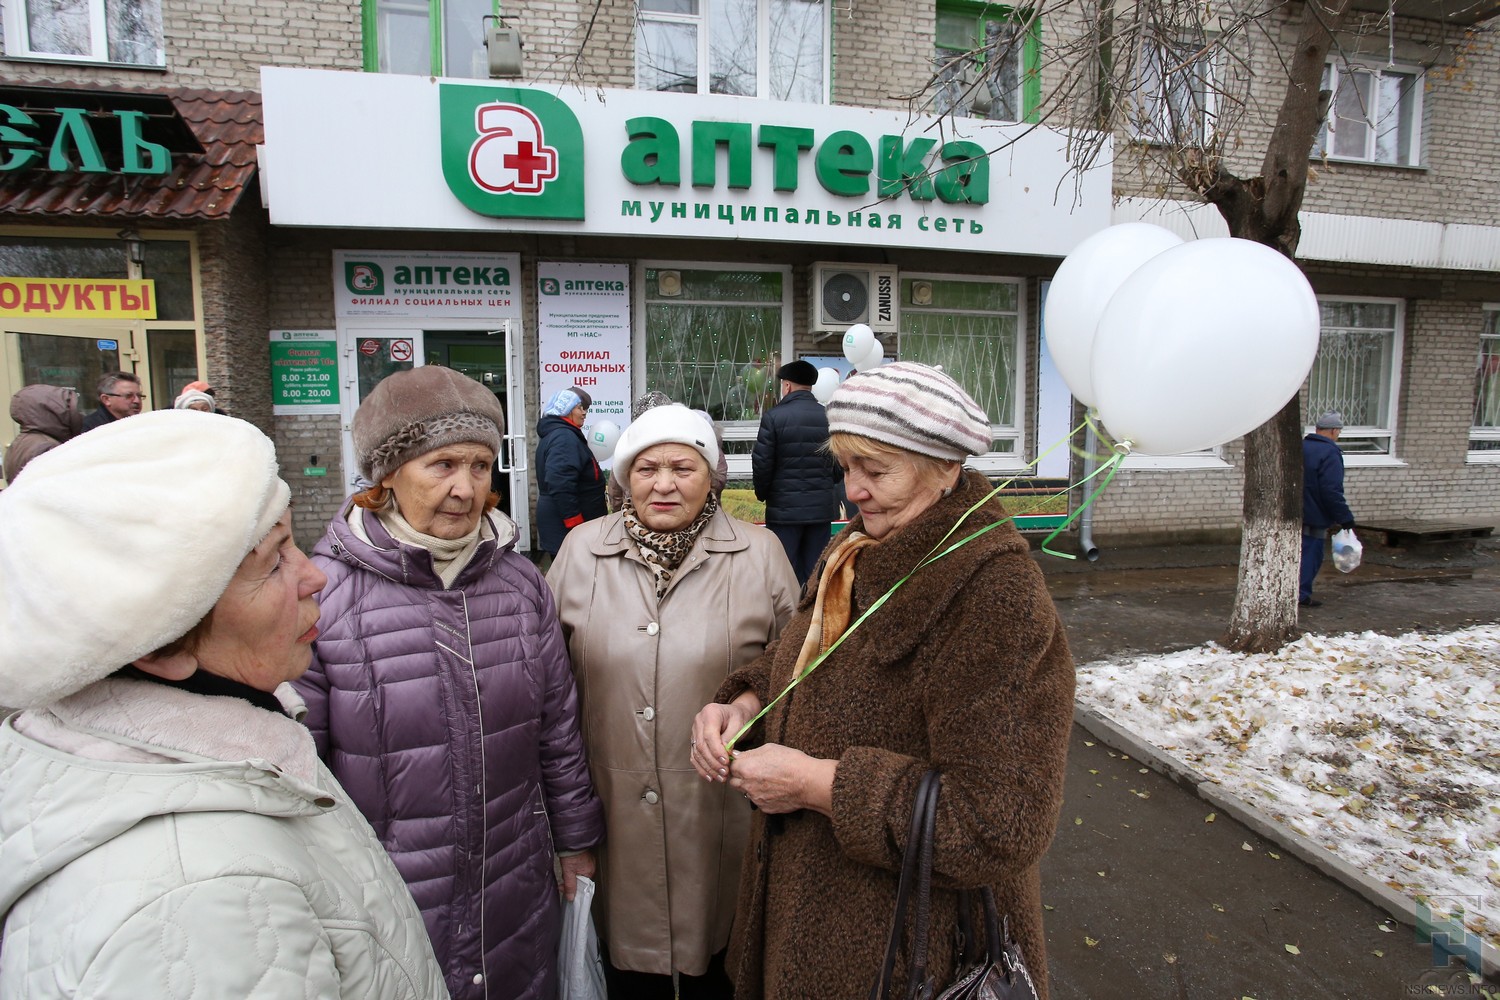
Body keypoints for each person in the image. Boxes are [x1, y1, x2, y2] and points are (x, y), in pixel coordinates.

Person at [0, 410, 446, 998]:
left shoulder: (233, 753)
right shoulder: (197, 899)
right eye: (274, 560)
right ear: (162, 647)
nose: (316, 577)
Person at [692, 362, 1075, 1000]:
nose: (854, 492)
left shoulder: (995, 595)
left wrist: (816, 784)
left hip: (904, 953)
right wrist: (749, 697)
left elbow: (997, 823)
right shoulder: (861, 549)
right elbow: (812, 661)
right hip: (810, 912)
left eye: (876, 470)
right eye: (847, 469)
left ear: (947, 467)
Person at [294, 365, 603, 1000]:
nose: (466, 489)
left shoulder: (520, 585)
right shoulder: (323, 597)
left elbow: (558, 733)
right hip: (385, 900)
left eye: (481, 466)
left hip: (516, 888)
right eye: (442, 465)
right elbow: (304, 775)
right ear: (385, 476)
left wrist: (576, 844)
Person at [547, 405, 798, 999]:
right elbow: (546, 685)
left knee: (722, 962)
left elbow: (798, 671)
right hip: (610, 816)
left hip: (723, 811)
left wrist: (750, 698)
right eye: (646, 468)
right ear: (622, 479)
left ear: (712, 477)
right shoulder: (581, 551)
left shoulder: (760, 554)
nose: (663, 484)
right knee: (623, 972)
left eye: (683, 467)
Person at [752, 359, 841, 586]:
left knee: (783, 572)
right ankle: (811, 617)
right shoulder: (828, 417)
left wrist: (763, 494)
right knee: (815, 571)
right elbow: (840, 464)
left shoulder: (774, 417)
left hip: (784, 512)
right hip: (820, 510)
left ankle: (787, 619)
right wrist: (825, 484)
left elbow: (763, 463)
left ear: (788, 386)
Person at [535, 385, 608, 556]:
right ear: (566, 410)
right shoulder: (563, 437)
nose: (584, 413)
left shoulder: (560, 434)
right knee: (573, 579)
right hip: (567, 529)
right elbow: (560, 482)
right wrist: (576, 524)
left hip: (566, 527)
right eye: (579, 408)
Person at [1301, 410, 1356, 607]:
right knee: (1310, 556)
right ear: (1333, 431)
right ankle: (1301, 595)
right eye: (1338, 431)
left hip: (1295, 512)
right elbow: (1331, 490)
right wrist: (1344, 517)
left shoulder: (1301, 446)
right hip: (1315, 514)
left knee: (1295, 554)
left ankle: (1291, 591)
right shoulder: (1330, 453)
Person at [4, 383, 81, 481]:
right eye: (69, 410)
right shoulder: (46, 447)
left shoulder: (23, 442)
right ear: (52, 412)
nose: (79, 415)